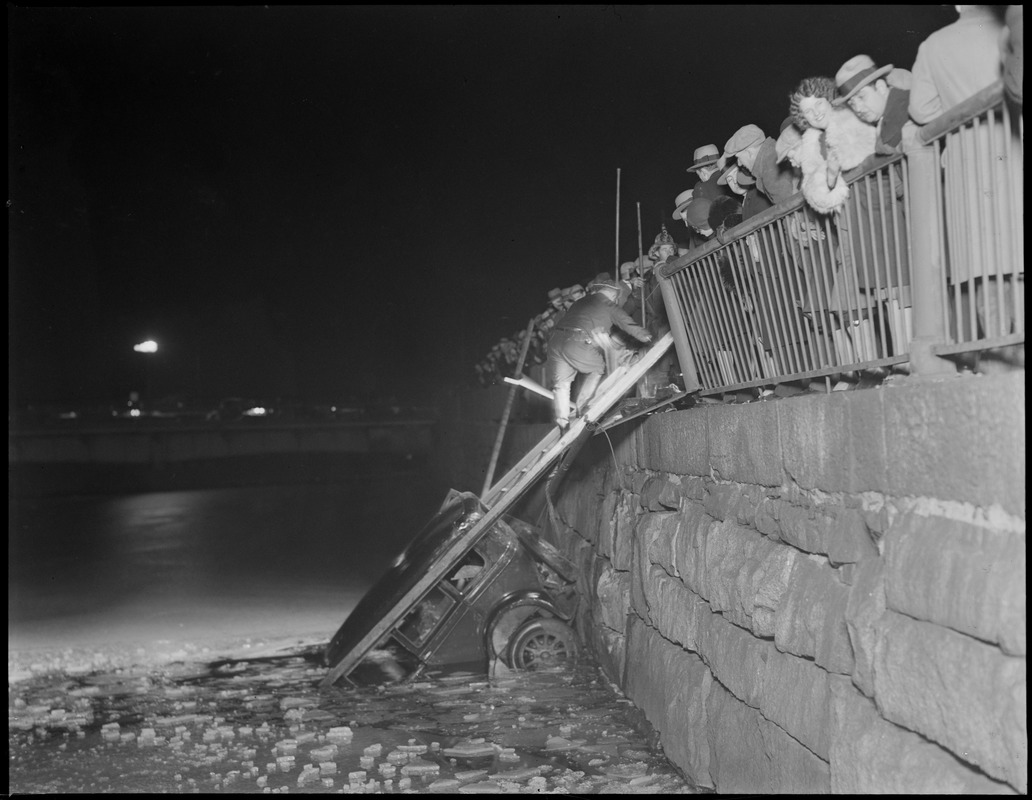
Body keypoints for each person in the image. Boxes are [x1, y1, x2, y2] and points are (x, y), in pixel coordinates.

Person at [909, 6, 1022, 356]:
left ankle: (1001, 351)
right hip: (1014, 146)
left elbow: (922, 110)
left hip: (966, 164)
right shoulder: (1008, 26)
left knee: (983, 264)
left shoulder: (933, 45)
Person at [832, 54, 916, 356]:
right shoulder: (885, 118)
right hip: (896, 218)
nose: (859, 107)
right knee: (892, 292)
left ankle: (912, 360)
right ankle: (906, 360)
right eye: (852, 103)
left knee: (901, 291)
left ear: (882, 85)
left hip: (907, 215)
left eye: (862, 97)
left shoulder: (905, 109)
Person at [546, 278, 652, 430]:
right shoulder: (608, 303)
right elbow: (626, 322)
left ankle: (562, 420)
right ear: (613, 294)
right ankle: (583, 407)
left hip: (555, 342)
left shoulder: (580, 302)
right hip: (576, 342)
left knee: (562, 384)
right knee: (597, 368)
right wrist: (644, 335)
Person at [718, 124, 799, 207]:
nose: (739, 164)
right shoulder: (772, 154)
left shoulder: (769, 170)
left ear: (749, 153)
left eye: (739, 158)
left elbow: (789, 209)